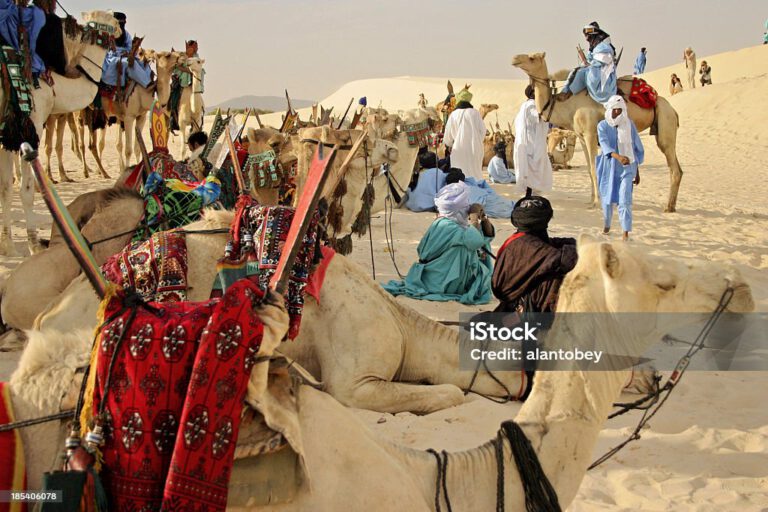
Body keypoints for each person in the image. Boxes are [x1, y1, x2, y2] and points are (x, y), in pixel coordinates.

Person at [383, 183, 495, 305]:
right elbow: (475, 241)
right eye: (466, 204)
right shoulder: (449, 227)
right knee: (464, 248)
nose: (468, 207)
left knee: (478, 242)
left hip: (435, 274)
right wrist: (474, 217)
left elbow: (485, 237)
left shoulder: (446, 223)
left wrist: (483, 217)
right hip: (440, 280)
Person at [492, 196, 577, 313]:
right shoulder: (530, 246)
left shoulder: (521, 238)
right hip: (521, 302)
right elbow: (565, 259)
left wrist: (576, 244)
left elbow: (551, 244)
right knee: (557, 276)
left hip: (517, 296)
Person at [596, 96, 644, 241]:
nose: (617, 112)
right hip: (608, 168)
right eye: (615, 109)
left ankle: (625, 233)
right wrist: (619, 157)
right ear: (609, 109)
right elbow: (604, 145)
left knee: (625, 200)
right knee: (607, 198)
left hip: (628, 168)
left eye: (620, 109)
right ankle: (607, 224)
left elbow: (635, 148)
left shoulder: (629, 124)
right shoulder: (602, 126)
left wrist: (637, 171)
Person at [559, 22, 617, 104]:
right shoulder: (594, 46)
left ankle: (569, 92)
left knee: (581, 73)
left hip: (602, 73)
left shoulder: (603, 46)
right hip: (595, 69)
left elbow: (605, 60)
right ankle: (566, 91)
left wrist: (589, 64)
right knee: (575, 71)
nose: (586, 38)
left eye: (587, 36)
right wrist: (585, 61)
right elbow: (590, 60)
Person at [514, 85, 552, 196]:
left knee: (532, 170)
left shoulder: (525, 106)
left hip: (532, 143)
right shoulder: (530, 106)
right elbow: (539, 117)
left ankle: (531, 194)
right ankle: (530, 194)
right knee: (532, 170)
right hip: (531, 144)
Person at [443, 87, 486, 181]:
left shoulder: (454, 115)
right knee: (475, 174)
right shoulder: (475, 113)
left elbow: (448, 137)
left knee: (460, 176)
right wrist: (476, 141)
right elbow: (483, 131)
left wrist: (450, 144)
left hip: (458, 150)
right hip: (475, 148)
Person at [101, 12, 152, 88]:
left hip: (125, 56)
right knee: (128, 64)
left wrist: (128, 52)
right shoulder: (108, 33)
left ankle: (149, 82)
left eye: (123, 23)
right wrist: (114, 50)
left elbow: (129, 47)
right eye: (119, 23)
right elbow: (106, 49)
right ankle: (147, 85)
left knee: (143, 64)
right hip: (111, 58)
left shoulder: (126, 34)